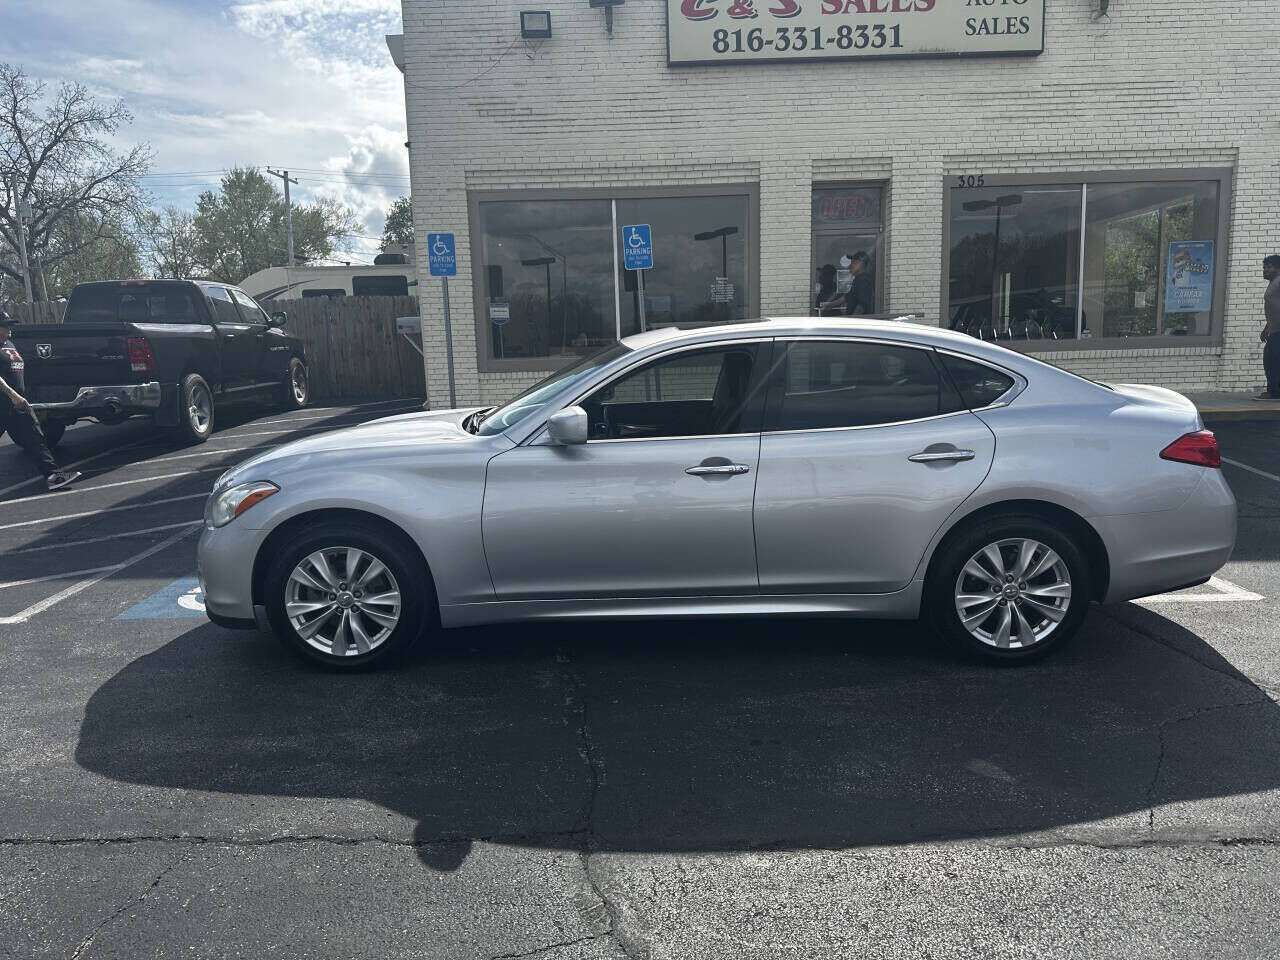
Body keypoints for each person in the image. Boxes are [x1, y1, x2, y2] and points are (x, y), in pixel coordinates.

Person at [0, 309, 80, 490]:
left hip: (19, 405)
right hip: (4, 404)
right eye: (5, 326)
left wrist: (20, 397)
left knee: (36, 440)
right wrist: (13, 395)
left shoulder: (10, 344)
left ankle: (54, 478)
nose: (9, 330)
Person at [1258, 255, 1280, 400]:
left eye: (1269, 267)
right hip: (1274, 329)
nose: (1265, 270)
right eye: (1264, 267)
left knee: (1272, 360)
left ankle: (1275, 392)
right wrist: (1267, 327)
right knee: (1271, 359)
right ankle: (1273, 391)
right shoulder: (1273, 282)